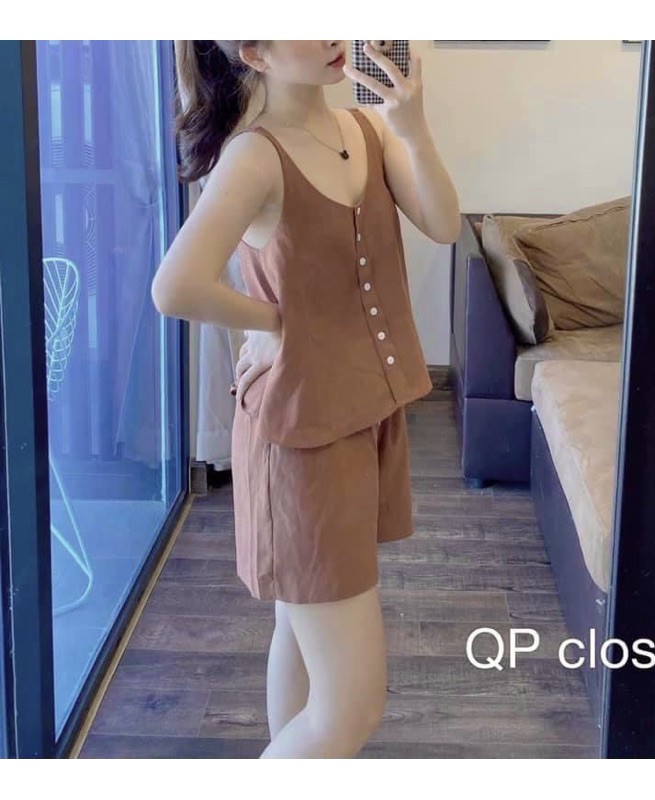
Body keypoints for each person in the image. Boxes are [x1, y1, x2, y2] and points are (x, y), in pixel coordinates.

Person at [151, 40, 460, 758]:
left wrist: (412, 127)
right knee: (351, 707)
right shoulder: (255, 157)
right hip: (301, 441)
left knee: (297, 626)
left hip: (362, 415)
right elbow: (175, 286)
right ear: (255, 52)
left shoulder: (367, 131)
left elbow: (445, 225)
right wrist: (274, 322)